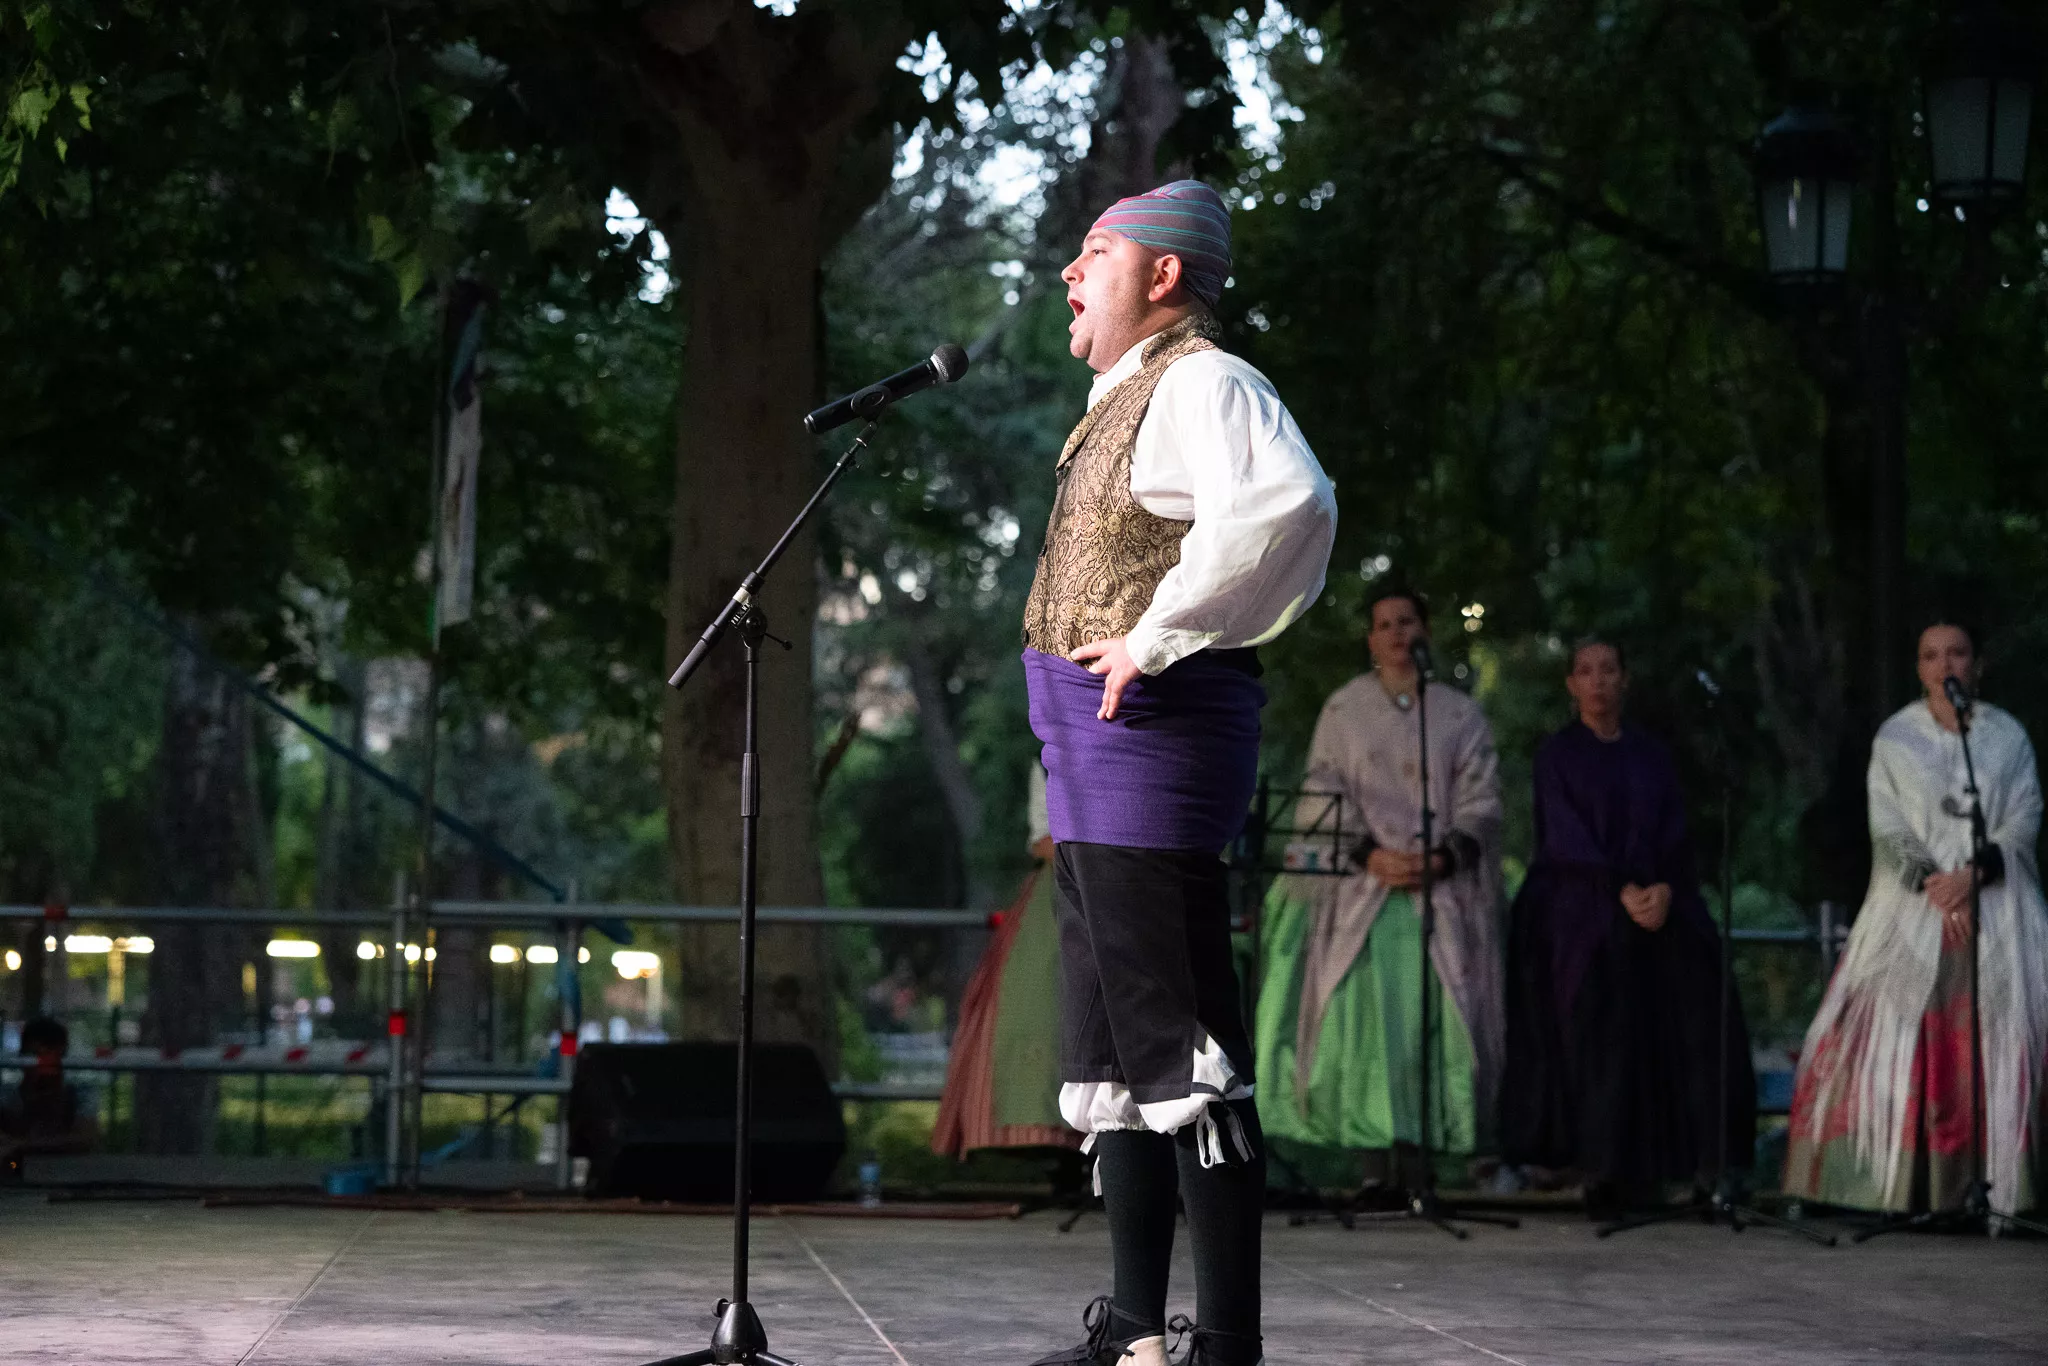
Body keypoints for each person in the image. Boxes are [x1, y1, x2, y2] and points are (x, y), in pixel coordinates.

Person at [1021, 179, 1335, 1366]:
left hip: (1150, 749)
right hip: (1097, 763)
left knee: (1182, 1041)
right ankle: (1137, 1328)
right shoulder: (1123, 395)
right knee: (1115, 1048)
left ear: (1161, 275)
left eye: (1093, 252)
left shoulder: (1204, 380)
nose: (1068, 271)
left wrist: (1155, 635)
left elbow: (1286, 507)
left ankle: (1227, 1341)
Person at [1783, 621, 2048, 1217]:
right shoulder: (1896, 738)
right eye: (1931, 654)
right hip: (1913, 909)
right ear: (1919, 667)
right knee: (1875, 1028)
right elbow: (1888, 824)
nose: (1945, 663)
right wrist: (1936, 885)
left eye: (1957, 652)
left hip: (1997, 906)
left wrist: (1973, 876)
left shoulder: (2007, 737)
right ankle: (1894, 1188)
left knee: (2011, 1031)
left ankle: (1999, 1187)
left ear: (1976, 664)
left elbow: (2025, 814)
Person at [1254, 589, 1504, 1198]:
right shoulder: (1344, 710)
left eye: (1408, 621)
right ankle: (1372, 1169)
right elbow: (1322, 791)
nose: (1397, 633)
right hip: (1364, 891)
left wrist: (1441, 856)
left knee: (1433, 1025)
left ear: (1425, 631)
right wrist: (1372, 854)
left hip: (1438, 893)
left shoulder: (1458, 714)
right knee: (1366, 1028)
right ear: (1370, 640)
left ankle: (1421, 1166)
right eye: (1384, 624)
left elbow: (1483, 800)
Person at [1498, 640, 1754, 1217]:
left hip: (1657, 897)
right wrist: (1620, 890)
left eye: (1608, 669)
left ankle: (1697, 1165)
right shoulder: (1557, 756)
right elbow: (1564, 838)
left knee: (1699, 988)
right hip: (1580, 900)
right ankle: (1603, 1170)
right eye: (1585, 672)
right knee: (1601, 1002)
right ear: (1571, 685)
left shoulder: (1651, 755)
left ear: (1625, 680)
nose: (1598, 681)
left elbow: (1673, 833)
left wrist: (1662, 888)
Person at [932, 767, 1081, 1159]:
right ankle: (1051, 1144)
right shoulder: (1051, 747)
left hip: (1124, 885)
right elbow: (1042, 839)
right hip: (1066, 886)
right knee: (1036, 1002)